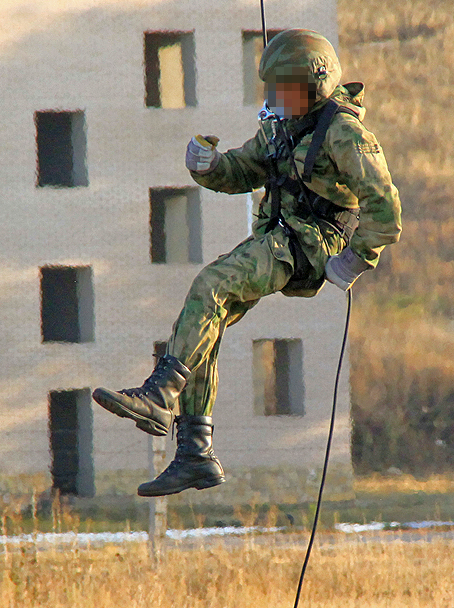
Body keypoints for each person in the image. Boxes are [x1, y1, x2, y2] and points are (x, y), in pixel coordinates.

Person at [94, 29, 403, 497]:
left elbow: (386, 209)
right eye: (272, 88)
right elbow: (244, 171)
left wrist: (358, 260)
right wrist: (207, 165)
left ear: (314, 86)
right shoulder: (281, 125)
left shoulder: (344, 133)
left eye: (285, 89)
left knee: (211, 285)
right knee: (205, 319)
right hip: (278, 238)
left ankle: (159, 396)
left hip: (309, 246)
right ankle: (195, 453)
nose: (274, 98)